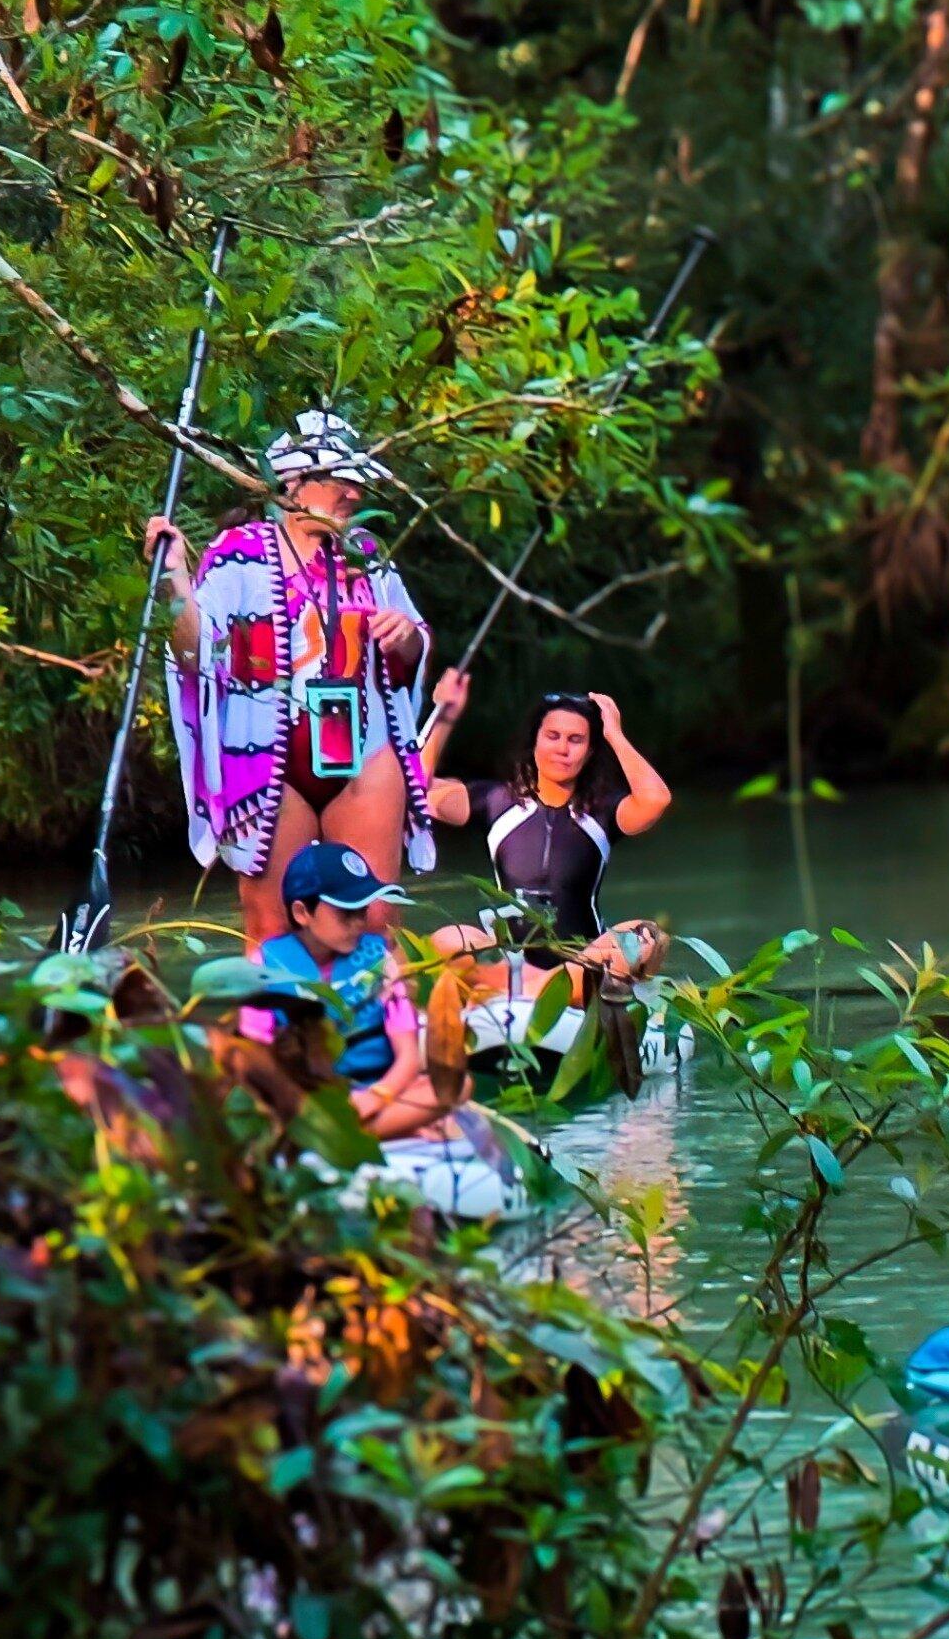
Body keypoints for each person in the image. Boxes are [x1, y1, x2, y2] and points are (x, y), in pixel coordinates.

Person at [150, 411, 435, 945]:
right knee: (271, 927)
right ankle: (280, 1028)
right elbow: (195, 654)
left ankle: (380, 1026)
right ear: (294, 483)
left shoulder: (367, 553)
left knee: (375, 923)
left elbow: (413, 644)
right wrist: (175, 582)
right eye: (340, 479)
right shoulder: (240, 552)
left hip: (364, 751)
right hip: (268, 760)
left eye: (358, 480)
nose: (354, 492)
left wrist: (407, 637)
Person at [418, 678, 674, 1000]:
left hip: (582, 964)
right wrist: (445, 717)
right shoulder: (496, 802)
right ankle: (536, 991)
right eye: (553, 736)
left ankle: (540, 994)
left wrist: (615, 735)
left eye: (576, 739)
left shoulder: (603, 812)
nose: (563, 749)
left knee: (643, 938)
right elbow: (419, 789)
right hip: (510, 964)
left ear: (590, 750)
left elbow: (656, 800)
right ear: (535, 742)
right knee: (450, 939)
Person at [241, 842, 455, 1140]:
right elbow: (255, 1060)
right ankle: (379, 1131)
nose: (358, 923)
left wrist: (376, 1098)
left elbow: (407, 1055)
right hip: (311, 1103)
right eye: (346, 912)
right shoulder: (263, 968)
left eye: (363, 910)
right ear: (302, 913)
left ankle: (356, 1134)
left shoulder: (381, 962)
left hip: (380, 1094)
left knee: (456, 1086)